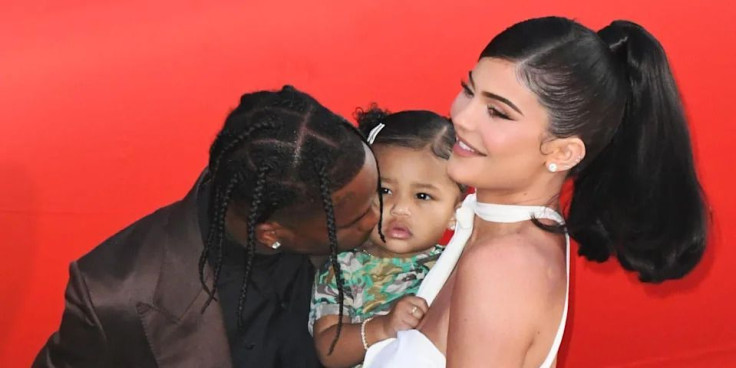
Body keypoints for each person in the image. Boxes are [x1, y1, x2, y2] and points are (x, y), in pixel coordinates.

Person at [363, 17, 708, 368]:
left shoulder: (502, 265)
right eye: (468, 90)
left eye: (497, 112)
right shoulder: (496, 234)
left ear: (562, 153)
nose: (463, 118)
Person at [34, 85, 381, 368]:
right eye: (353, 220)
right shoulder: (114, 295)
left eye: (379, 192)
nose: (378, 217)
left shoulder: (353, 197)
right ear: (271, 233)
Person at [309, 107, 465, 367]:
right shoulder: (343, 267)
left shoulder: (456, 267)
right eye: (384, 190)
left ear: (455, 212)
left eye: (422, 196)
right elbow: (329, 349)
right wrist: (383, 327)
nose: (400, 208)